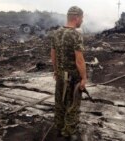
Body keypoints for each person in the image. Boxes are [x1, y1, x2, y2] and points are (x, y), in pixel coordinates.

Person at [51, 6, 87, 141]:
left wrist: (55, 70)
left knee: (59, 103)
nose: (82, 21)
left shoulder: (56, 33)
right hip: (72, 78)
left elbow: (53, 55)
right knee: (72, 105)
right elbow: (79, 60)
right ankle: (68, 133)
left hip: (60, 75)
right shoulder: (76, 35)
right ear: (76, 18)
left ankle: (59, 128)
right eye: (82, 18)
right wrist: (84, 78)